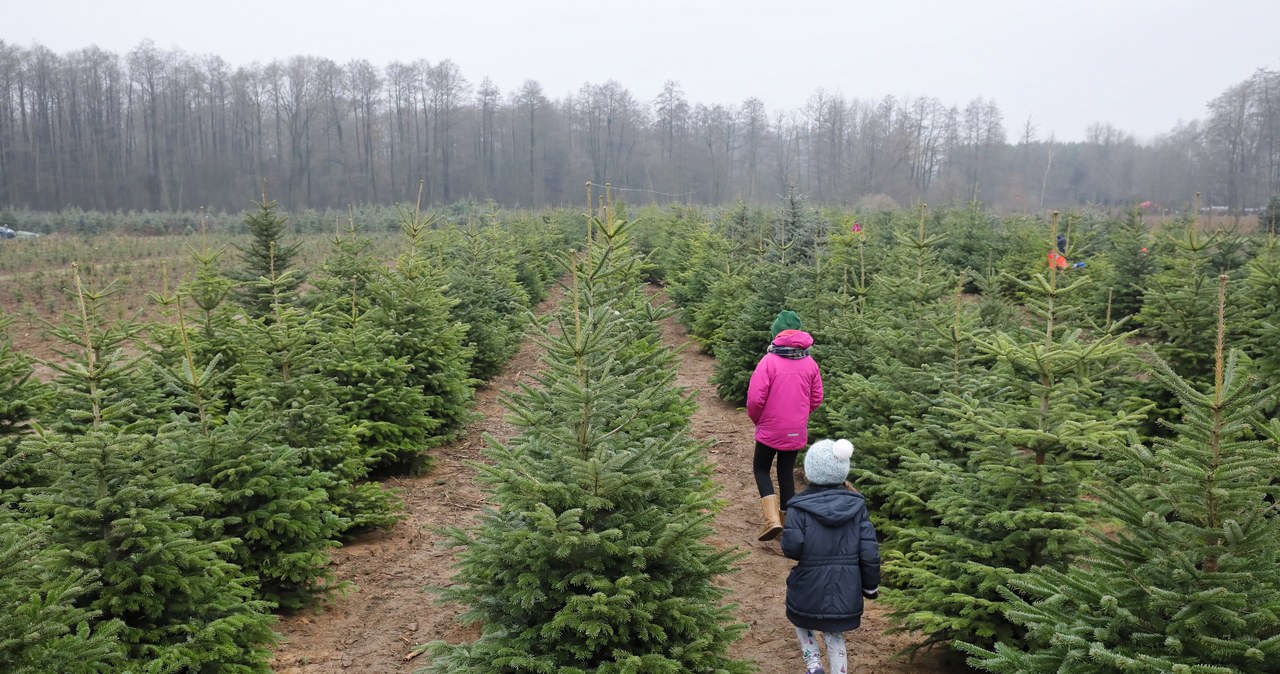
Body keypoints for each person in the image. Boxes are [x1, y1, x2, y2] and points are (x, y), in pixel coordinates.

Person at [782, 438, 881, 674]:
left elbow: (792, 548)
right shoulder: (857, 507)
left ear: (809, 472)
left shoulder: (798, 507)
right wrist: (870, 586)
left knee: (799, 618)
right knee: (834, 633)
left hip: (808, 584)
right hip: (845, 587)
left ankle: (814, 664)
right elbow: (870, 551)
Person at [747, 310, 823, 541]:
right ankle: (788, 525)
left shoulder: (769, 361)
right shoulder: (810, 362)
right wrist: (799, 416)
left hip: (771, 427)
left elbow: (755, 399)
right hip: (795, 429)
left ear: (775, 335)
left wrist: (759, 419)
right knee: (785, 472)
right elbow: (816, 396)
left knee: (761, 468)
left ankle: (771, 521)